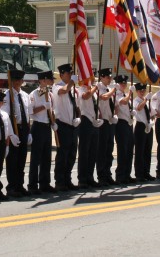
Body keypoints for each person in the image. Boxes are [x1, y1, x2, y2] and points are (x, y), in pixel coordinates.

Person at [52, 63, 81, 192]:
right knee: (62, 155)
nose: (70, 75)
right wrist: (71, 83)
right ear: (62, 74)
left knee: (72, 154)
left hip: (73, 125)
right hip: (62, 125)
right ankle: (60, 181)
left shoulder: (74, 89)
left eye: (71, 73)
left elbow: (76, 105)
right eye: (69, 73)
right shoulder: (56, 86)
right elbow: (64, 91)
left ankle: (67, 179)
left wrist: (79, 117)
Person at [27, 70, 57, 194]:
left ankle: (45, 183)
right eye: (50, 79)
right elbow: (31, 111)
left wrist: (53, 122)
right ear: (43, 80)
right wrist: (44, 106)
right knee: (36, 158)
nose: (52, 81)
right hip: (38, 127)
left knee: (46, 157)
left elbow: (52, 111)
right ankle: (32, 185)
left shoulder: (49, 94)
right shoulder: (34, 94)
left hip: (47, 126)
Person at [4, 69, 31, 198]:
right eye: (15, 80)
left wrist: (29, 132)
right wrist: (10, 134)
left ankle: (20, 185)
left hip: (24, 128)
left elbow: (28, 115)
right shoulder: (7, 95)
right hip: (14, 129)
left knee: (22, 159)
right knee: (12, 160)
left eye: (20, 80)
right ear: (12, 81)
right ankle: (12, 186)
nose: (18, 83)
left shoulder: (25, 95)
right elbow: (5, 117)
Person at [77, 77, 103, 188]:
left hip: (94, 121)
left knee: (93, 151)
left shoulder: (94, 91)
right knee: (84, 151)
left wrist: (99, 116)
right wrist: (96, 88)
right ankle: (82, 179)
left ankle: (90, 177)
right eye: (90, 78)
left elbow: (96, 105)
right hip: (85, 121)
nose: (92, 80)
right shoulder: (81, 89)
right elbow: (86, 96)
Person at [96, 68, 118, 186]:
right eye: (108, 77)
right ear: (102, 77)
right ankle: (101, 175)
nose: (110, 79)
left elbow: (112, 105)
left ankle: (107, 173)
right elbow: (104, 97)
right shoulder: (98, 88)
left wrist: (114, 115)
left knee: (109, 150)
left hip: (110, 121)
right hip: (102, 122)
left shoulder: (109, 89)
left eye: (110, 77)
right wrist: (114, 90)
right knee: (102, 150)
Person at [114, 75, 135, 185]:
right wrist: (130, 93)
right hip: (121, 124)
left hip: (128, 123)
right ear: (117, 84)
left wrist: (132, 113)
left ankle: (127, 174)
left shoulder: (125, 94)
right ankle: (120, 175)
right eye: (122, 83)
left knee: (130, 150)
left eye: (125, 83)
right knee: (123, 150)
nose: (124, 85)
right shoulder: (117, 94)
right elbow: (123, 102)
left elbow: (127, 106)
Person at [133, 83, 154, 182]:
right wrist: (145, 99)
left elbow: (152, 113)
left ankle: (146, 172)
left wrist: (152, 120)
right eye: (140, 90)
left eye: (143, 90)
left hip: (148, 126)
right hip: (140, 127)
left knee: (147, 151)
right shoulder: (136, 100)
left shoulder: (147, 101)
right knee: (140, 152)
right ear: (137, 92)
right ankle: (139, 174)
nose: (142, 92)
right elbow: (139, 108)